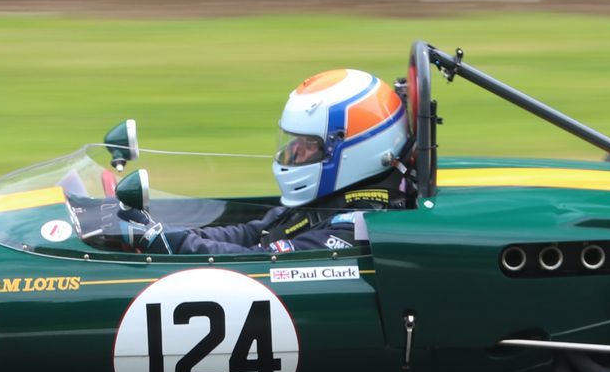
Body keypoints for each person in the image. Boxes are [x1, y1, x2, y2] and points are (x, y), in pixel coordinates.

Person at [137, 68, 415, 255]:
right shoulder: (327, 200)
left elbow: (259, 260)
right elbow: (252, 233)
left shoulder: (356, 225)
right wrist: (166, 231)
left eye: (308, 145)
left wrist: (173, 242)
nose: (294, 153)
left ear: (354, 149)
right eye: (295, 141)